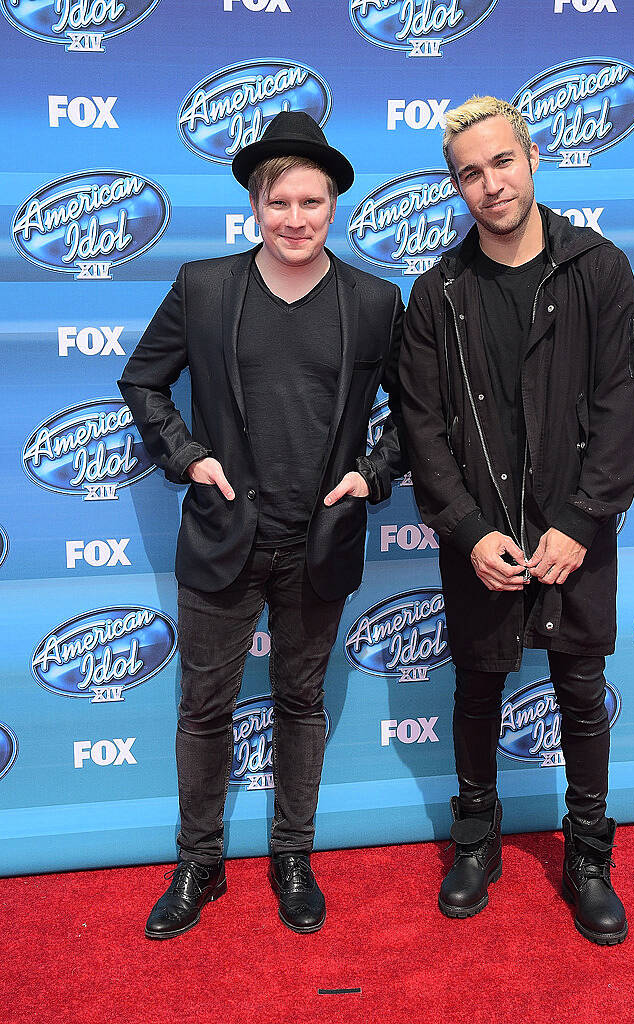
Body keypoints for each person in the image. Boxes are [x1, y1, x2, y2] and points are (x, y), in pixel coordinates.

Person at [118, 111, 404, 938]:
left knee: (300, 701)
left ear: (334, 206)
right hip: (222, 532)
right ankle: (199, 862)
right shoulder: (204, 288)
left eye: (312, 202)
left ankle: (292, 855)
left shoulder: (375, 301)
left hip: (317, 538)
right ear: (255, 205)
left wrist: (370, 475)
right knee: (204, 704)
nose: (296, 219)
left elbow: (418, 413)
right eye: (280, 202)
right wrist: (190, 459)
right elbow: (144, 381)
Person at [399, 96, 634, 945]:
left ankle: (586, 859)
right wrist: (467, 532)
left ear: (532, 157)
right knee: (475, 688)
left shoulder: (600, 270)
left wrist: (581, 519)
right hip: (484, 536)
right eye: (470, 173)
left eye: (501, 162)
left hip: (576, 531)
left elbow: (623, 401)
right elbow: (422, 428)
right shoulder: (437, 295)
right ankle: (477, 841)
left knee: (581, 693)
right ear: (456, 187)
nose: (489, 183)